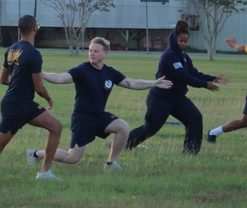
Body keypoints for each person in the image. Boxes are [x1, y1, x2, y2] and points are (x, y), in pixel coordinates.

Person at [27, 36, 171, 169]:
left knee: (122, 127)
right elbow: (60, 78)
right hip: (83, 119)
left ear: (105, 53)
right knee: (72, 158)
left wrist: (154, 83)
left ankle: (110, 163)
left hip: (99, 117)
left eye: (95, 51)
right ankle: (35, 154)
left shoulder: (110, 72)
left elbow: (132, 83)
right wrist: (41, 73)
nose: (91, 53)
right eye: (90, 51)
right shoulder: (82, 70)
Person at [0, 14, 63, 180]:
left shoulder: (12, 49)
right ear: (35, 28)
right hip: (17, 105)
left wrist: (18, 84)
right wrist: (49, 98)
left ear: (19, 29)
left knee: (56, 127)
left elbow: (3, 79)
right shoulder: (33, 53)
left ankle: (45, 173)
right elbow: (39, 87)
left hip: (23, 104)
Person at [124, 20, 228, 155]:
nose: (183, 44)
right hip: (161, 98)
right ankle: (120, 145)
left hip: (177, 98)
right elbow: (184, 77)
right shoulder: (169, 56)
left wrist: (213, 78)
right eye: (180, 41)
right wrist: (204, 85)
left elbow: (193, 73)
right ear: (174, 39)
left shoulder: (184, 57)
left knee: (194, 118)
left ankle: (190, 153)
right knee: (149, 129)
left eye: (185, 41)